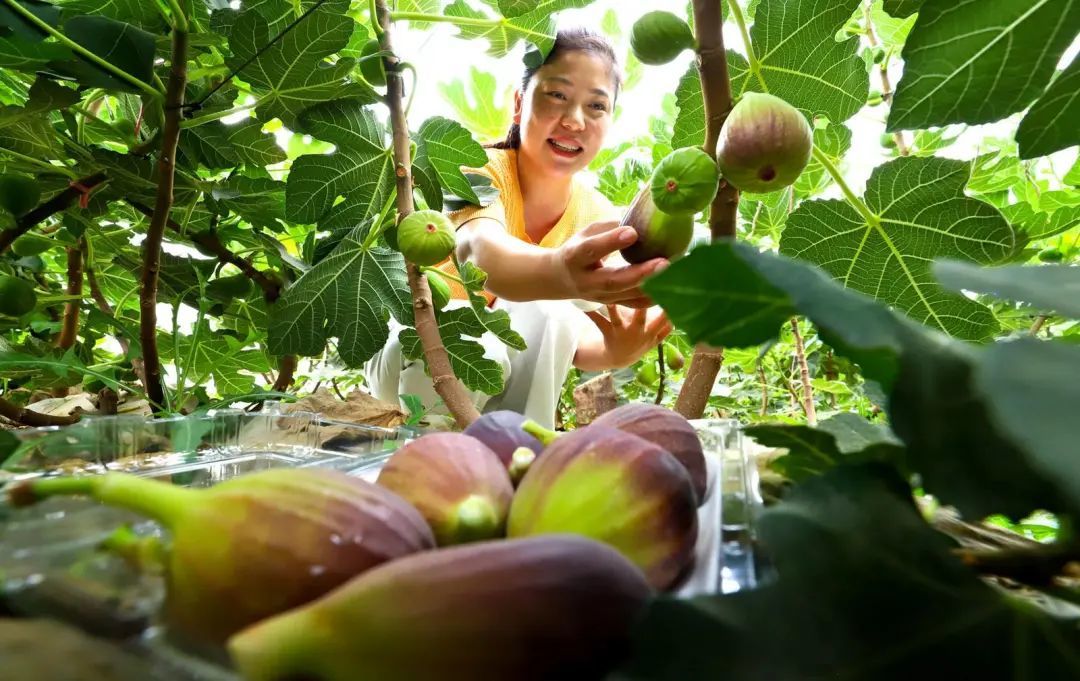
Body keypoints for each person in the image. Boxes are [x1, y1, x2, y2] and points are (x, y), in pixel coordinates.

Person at [365, 27, 673, 429]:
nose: (574, 120)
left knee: (551, 312)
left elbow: (565, 341)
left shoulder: (595, 213)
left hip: (494, 374)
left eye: (597, 106)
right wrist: (560, 271)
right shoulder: (478, 167)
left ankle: (517, 455)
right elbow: (479, 251)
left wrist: (616, 350)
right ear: (518, 104)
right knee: (482, 343)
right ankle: (421, 447)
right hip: (411, 351)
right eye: (557, 95)